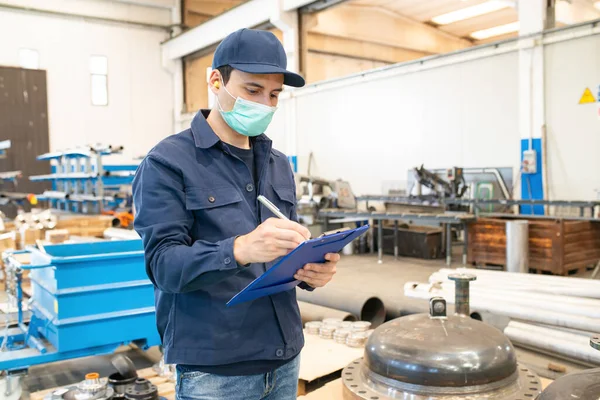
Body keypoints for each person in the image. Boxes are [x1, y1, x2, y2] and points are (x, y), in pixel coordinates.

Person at [132, 28, 340, 400]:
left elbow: (282, 254)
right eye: (252, 90)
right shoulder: (167, 163)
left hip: (285, 357)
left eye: (274, 94)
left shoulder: (278, 164)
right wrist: (240, 249)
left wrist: (310, 271)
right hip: (217, 371)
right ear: (216, 81)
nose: (265, 104)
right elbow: (164, 265)